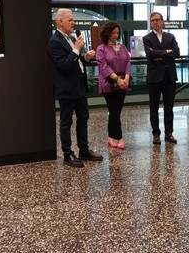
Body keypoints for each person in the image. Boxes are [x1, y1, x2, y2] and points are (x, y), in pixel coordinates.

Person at [47, 9, 103, 167]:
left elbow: (77, 62)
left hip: (79, 86)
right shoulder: (54, 42)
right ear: (60, 22)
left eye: (73, 20)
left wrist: (86, 57)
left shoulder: (71, 38)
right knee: (66, 121)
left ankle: (84, 150)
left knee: (83, 117)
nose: (74, 23)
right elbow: (64, 66)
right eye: (70, 20)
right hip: (66, 88)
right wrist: (77, 49)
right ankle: (67, 153)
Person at [143, 12, 180, 145]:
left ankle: (169, 133)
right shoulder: (147, 38)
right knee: (154, 107)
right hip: (154, 78)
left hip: (169, 76)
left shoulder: (170, 36)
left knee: (169, 106)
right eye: (152, 20)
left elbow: (177, 52)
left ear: (162, 21)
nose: (155, 22)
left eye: (157, 20)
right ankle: (156, 134)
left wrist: (160, 54)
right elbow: (150, 54)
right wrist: (167, 52)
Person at [96, 21, 132, 149]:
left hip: (123, 83)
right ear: (107, 33)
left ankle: (111, 138)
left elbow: (128, 62)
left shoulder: (123, 47)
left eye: (117, 33)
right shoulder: (101, 49)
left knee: (115, 112)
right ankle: (120, 138)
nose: (116, 35)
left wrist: (126, 78)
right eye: (113, 33)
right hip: (108, 83)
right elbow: (103, 66)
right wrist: (117, 79)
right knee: (114, 111)